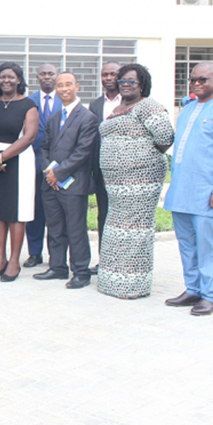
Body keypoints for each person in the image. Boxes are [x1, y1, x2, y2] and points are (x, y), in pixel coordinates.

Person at [164, 62, 213, 316]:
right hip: (182, 189)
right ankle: (193, 289)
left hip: (208, 192)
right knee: (187, 243)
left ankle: (210, 295)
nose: (197, 84)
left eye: (203, 80)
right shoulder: (187, 109)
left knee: (209, 244)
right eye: (193, 80)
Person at [97, 63, 174, 300]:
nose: (126, 85)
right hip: (116, 184)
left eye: (132, 81)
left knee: (135, 230)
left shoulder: (148, 106)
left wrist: (139, 157)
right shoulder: (120, 107)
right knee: (116, 229)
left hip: (141, 182)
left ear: (143, 84)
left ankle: (132, 285)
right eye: (122, 81)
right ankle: (112, 280)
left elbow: (165, 138)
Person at [33, 72, 99, 289]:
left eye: (68, 85)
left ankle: (80, 272)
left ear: (77, 87)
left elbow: (83, 152)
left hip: (73, 184)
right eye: (59, 85)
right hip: (51, 184)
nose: (63, 89)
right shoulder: (54, 118)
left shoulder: (87, 118)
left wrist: (59, 173)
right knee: (54, 227)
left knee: (75, 229)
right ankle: (58, 267)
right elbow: (44, 148)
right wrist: (48, 172)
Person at [0, 62, 39, 282]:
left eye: (11, 77)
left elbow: (29, 137)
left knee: (17, 214)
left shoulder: (28, 105)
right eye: (3, 77)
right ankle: (0, 260)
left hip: (19, 161)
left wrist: (2, 157)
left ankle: (14, 262)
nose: (6, 80)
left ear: (19, 80)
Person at [25, 62, 61, 268]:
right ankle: (34, 253)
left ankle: (55, 256)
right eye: (43, 74)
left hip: (59, 166)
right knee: (35, 211)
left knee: (56, 213)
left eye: (51, 73)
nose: (47, 77)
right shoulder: (29, 101)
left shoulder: (65, 101)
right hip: (33, 163)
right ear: (37, 77)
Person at [87, 61, 121, 271]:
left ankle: (122, 262)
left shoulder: (130, 101)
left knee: (122, 218)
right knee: (104, 215)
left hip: (124, 171)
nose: (108, 78)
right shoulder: (95, 104)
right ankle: (105, 261)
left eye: (113, 74)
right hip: (101, 171)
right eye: (104, 74)